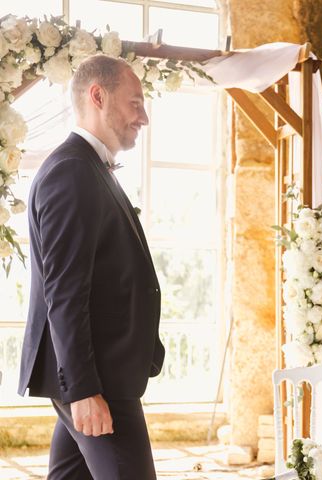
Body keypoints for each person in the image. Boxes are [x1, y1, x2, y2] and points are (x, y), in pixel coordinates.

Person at [18, 54, 164, 479]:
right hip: (97, 379)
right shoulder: (72, 171)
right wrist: (83, 390)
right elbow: (64, 291)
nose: (144, 117)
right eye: (135, 103)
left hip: (102, 372)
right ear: (98, 96)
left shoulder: (90, 167)